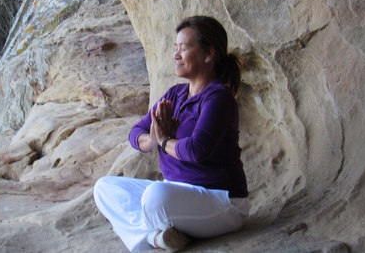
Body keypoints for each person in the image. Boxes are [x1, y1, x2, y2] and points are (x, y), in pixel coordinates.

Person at [94, 16, 249, 252]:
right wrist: (152, 140)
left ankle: (150, 238)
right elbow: (136, 132)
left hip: (220, 200)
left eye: (183, 48)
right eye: (175, 48)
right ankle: (158, 238)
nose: (176, 55)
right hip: (177, 192)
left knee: (155, 197)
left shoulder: (218, 98)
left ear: (209, 54)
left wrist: (164, 140)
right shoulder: (175, 94)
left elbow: (196, 150)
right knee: (104, 188)